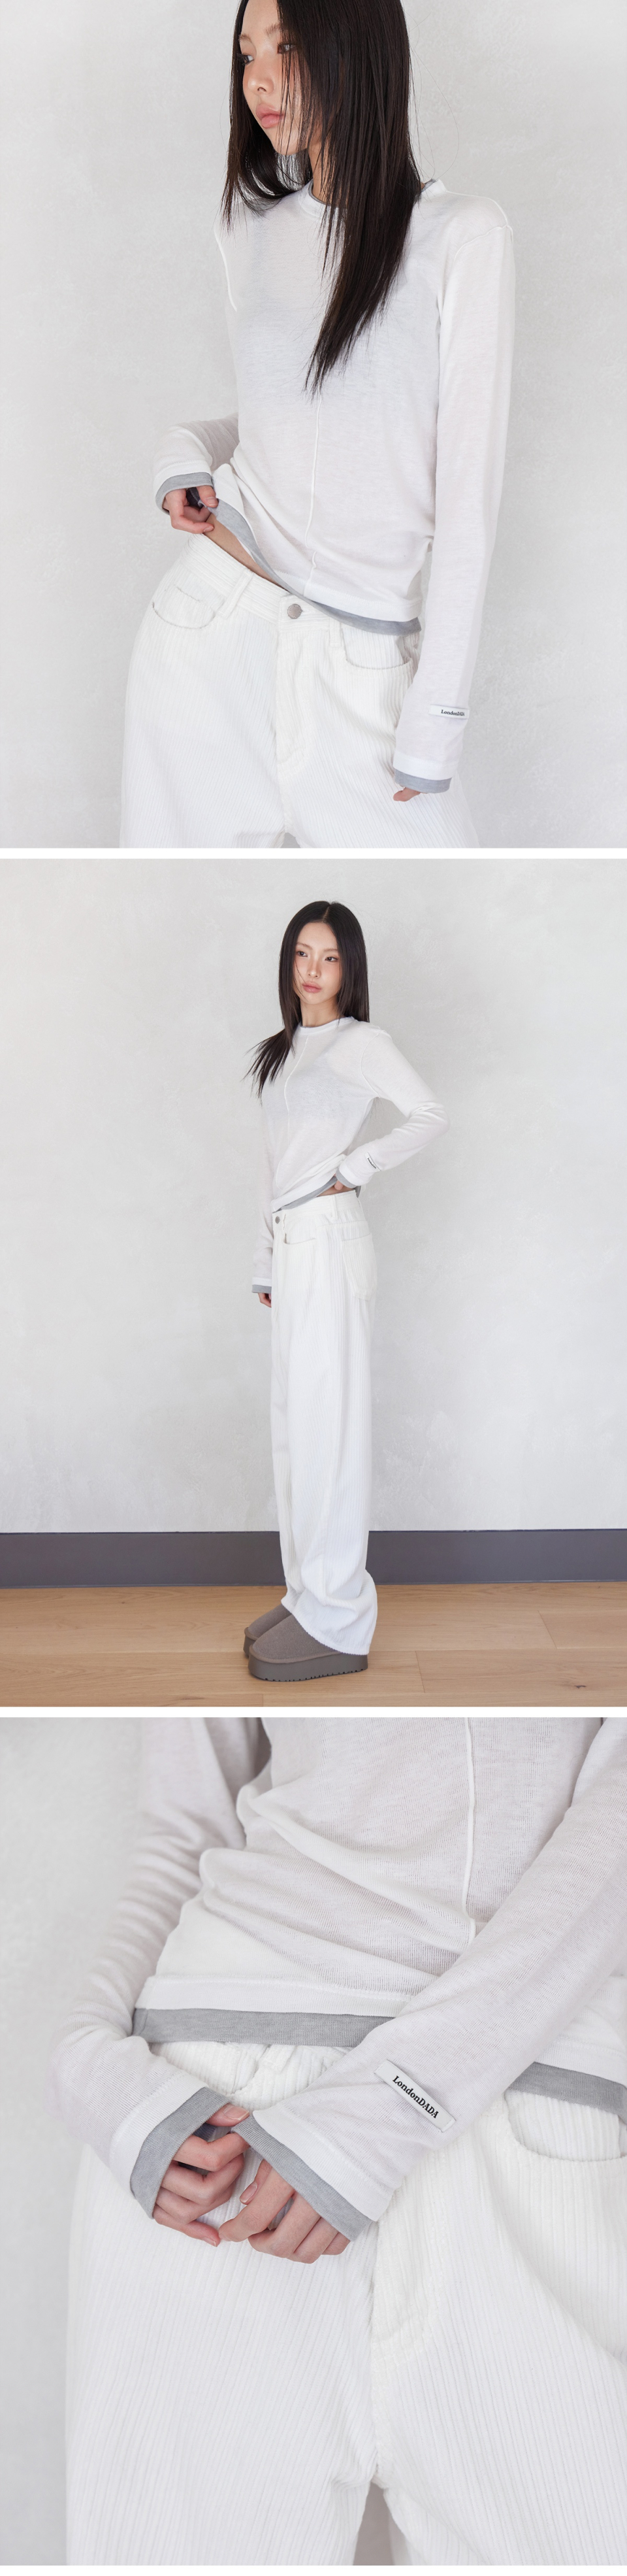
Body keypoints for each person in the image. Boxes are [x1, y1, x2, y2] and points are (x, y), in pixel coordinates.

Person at [48, 1715, 627, 2566]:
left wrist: (392, 2106)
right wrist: (84, 2059)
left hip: (527, 2110)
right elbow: (184, 1827)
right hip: (216, 2118)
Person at [120, 0, 515, 850]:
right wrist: (181, 454)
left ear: (356, 47)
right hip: (211, 634)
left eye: (288, 46)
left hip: (364, 672)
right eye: (246, 53)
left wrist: (436, 718)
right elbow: (285, 417)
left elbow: (469, 498)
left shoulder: (461, 238)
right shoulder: (249, 227)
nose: (259, 79)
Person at [244, 897, 447, 1681]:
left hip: (331, 1240)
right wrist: (264, 1260)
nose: (314, 970)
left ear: (349, 968)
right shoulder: (280, 1052)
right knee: (294, 1428)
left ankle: (340, 1616)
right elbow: (270, 1164)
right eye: (303, 953)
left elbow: (429, 1113)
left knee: (329, 1430)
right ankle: (306, 1593)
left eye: (329, 957)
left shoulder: (363, 1043)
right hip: (294, 1246)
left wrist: (357, 1166)